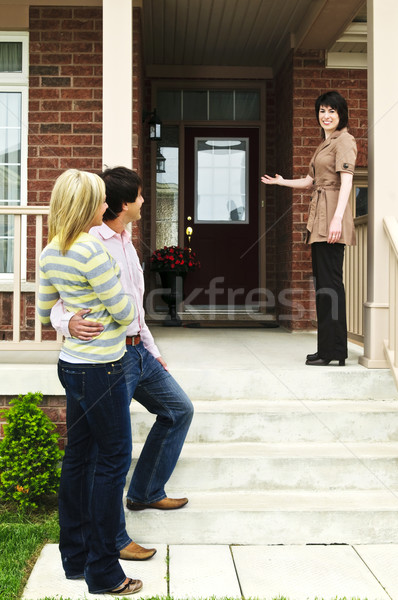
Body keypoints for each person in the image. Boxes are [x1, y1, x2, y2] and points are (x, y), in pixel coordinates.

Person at [50, 167, 194, 556]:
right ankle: (114, 540)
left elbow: (135, 311)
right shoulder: (89, 243)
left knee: (178, 409)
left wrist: (154, 351)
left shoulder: (126, 241)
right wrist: (66, 322)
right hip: (107, 358)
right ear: (124, 203)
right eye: (141, 196)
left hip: (138, 350)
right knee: (105, 453)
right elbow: (57, 303)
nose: (145, 201)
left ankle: (146, 491)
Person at [37, 169, 142, 596]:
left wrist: (72, 316)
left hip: (71, 365)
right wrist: (112, 296)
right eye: (100, 200)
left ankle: (75, 560)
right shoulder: (92, 252)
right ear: (85, 206)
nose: (106, 206)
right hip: (104, 369)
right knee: (113, 462)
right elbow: (125, 313)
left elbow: (47, 311)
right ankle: (104, 572)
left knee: (78, 459)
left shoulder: (49, 252)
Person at [261, 91, 356, 366]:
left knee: (331, 285)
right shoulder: (324, 143)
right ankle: (329, 348)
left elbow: (347, 182)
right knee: (325, 285)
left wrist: (337, 219)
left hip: (331, 218)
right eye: (322, 111)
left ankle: (334, 351)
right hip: (320, 217)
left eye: (332, 112)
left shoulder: (345, 140)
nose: (326, 116)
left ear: (341, 115)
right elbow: (309, 181)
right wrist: (281, 182)